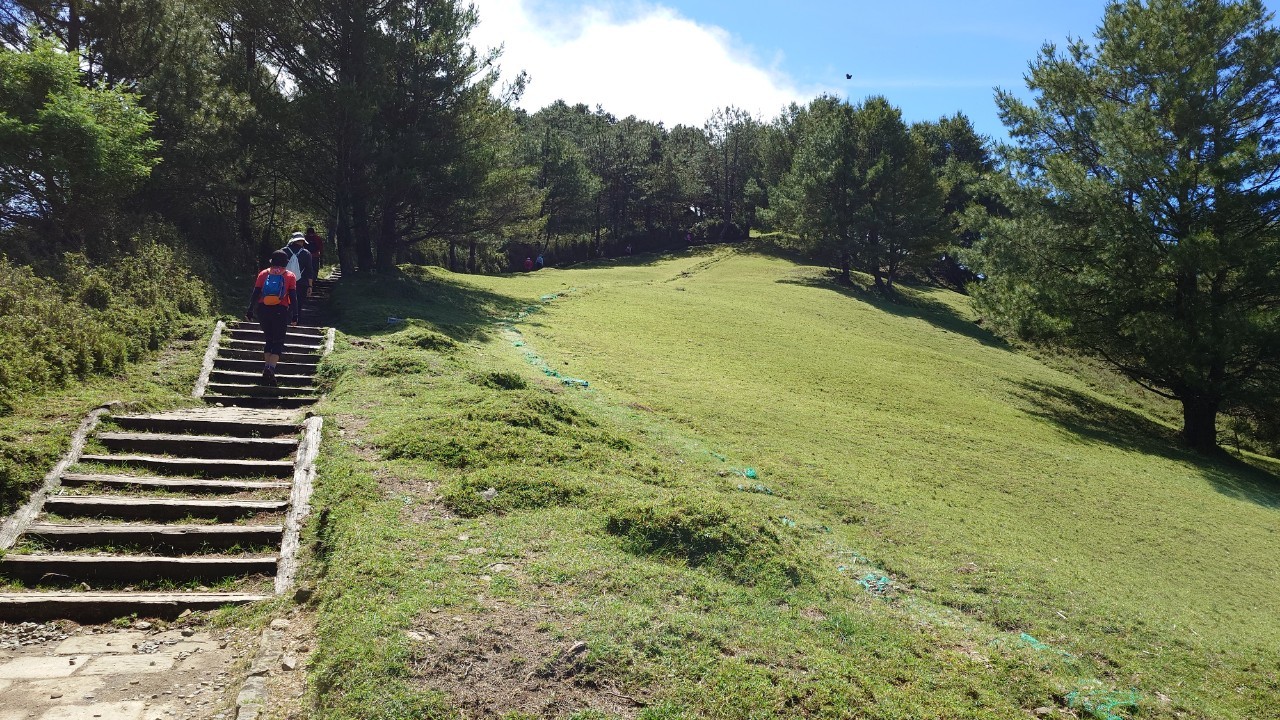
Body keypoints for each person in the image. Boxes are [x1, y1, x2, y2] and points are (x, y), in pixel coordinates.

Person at [245, 250, 298, 385]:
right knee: (278, 341)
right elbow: (293, 297)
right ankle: (271, 368)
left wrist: (250, 310)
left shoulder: (264, 273)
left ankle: (266, 368)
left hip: (263, 310)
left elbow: (256, 292)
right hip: (280, 310)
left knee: (269, 339)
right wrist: (295, 314)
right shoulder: (289, 276)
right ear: (285, 262)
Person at [280, 232, 313, 324]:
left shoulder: (283, 251)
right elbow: (309, 270)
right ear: (302, 242)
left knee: (284, 301)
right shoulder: (306, 253)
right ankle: (295, 322)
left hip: (284, 281)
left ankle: (283, 321)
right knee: (298, 303)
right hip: (301, 283)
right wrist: (310, 286)